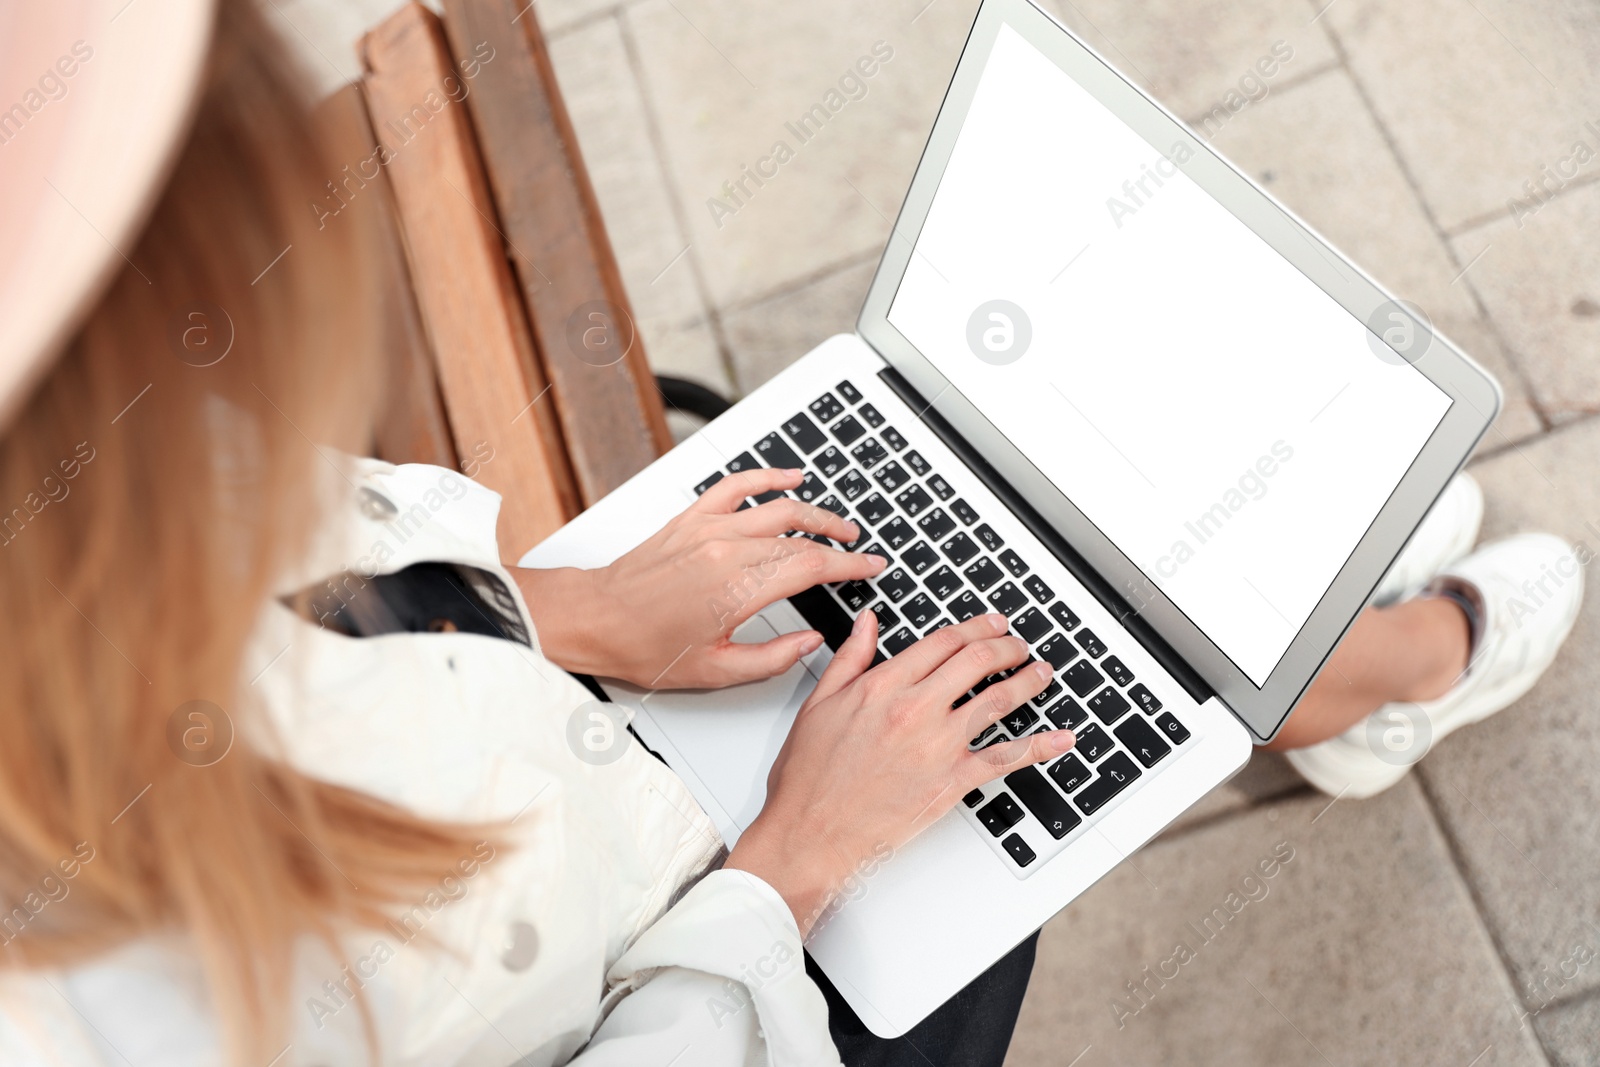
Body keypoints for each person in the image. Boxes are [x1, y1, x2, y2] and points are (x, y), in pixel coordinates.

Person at [0, 2, 1580, 1065]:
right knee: (1072, 671)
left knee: (968, 525)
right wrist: (797, 865)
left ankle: (1291, 616)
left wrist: (557, 612)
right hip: (747, 977)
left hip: (560, 724)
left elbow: (245, 581)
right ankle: (1352, 664)